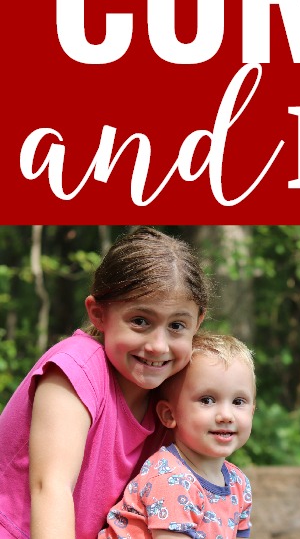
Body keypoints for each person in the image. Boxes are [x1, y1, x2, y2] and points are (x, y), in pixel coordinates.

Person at [0, 229, 209, 539]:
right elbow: (51, 486)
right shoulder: (76, 368)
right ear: (99, 314)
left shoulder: (173, 395)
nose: (157, 345)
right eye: (140, 321)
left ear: (198, 324)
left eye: (177, 326)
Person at [99, 334, 254, 539]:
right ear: (169, 414)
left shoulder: (239, 484)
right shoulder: (171, 479)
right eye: (207, 400)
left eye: (238, 401)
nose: (226, 415)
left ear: (253, 410)